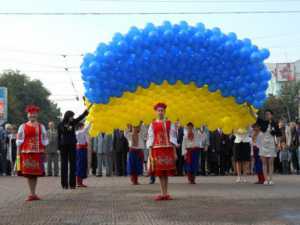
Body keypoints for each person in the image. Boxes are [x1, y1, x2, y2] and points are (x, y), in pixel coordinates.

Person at [16, 105, 48, 201]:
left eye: (34, 114)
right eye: (30, 114)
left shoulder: (41, 126)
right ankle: (32, 193)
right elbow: (19, 140)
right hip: (26, 152)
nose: (32, 116)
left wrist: (45, 153)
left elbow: (44, 140)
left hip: (38, 153)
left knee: (35, 174)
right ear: (27, 115)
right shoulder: (22, 126)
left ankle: (33, 193)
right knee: (29, 174)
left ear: (37, 115)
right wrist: (18, 153)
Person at [146, 102, 177, 201]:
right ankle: (162, 193)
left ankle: (166, 193)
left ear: (165, 112)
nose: (160, 112)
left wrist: (174, 152)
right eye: (159, 111)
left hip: (167, 149)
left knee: (166, 172)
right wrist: (150, 153)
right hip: (157, 150)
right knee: (160, 173)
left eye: (162, 111)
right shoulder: (152, 124)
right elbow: (150, 138)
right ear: (156, 112)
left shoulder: (169, 123)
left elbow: (172, 138)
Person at [58, 108, 89, 189]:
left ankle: (72, 184)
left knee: (73, 165)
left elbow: (80, 118)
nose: (72, 118)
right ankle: (64, 184)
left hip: (72, 145)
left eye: (73, 116)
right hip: (64, 146)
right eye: (71, 116)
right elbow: (60, 135)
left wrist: (85, 113)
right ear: (67, 116)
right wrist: (59, 147)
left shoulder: (73, 122)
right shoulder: (61, 124)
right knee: (64, 166)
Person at [256, 109, 282, 185]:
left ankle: (270, 179)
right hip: (263, 144)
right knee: (264, 163)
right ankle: (265, 179)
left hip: (271, 144)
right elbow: (255, 116)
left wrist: (278, 145)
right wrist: (249, 108)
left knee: (271, 163)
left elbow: (279, 135)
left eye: (268, 114)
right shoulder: (262, 122)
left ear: (271, 115)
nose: (267, 115)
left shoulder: (275, 123)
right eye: (266, 114)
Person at [75, 122, 91, 187]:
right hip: (80, 150)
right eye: (83, 126)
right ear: (80, 127)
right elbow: (86, 129)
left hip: (83, 149)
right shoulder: (78, 132)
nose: (84, 128)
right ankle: (78, 182)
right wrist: (91, 122)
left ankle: (80, 182)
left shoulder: (82, 132)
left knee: (83, 165)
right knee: (80, 165)